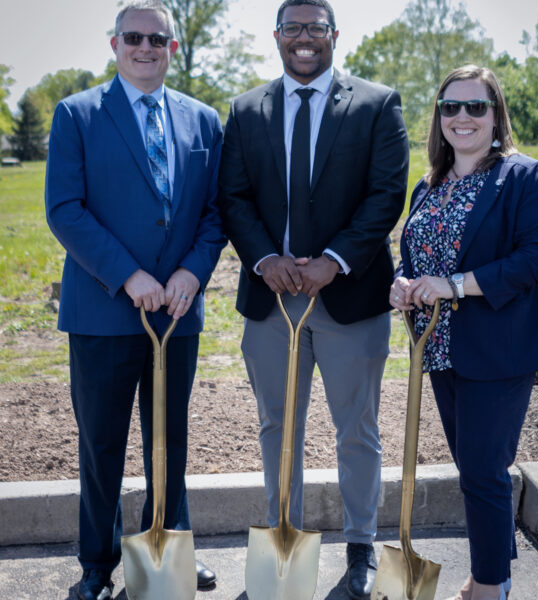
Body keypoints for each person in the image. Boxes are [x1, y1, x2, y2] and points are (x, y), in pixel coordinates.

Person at [218, 1, 409, 598]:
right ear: (277, 36)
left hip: (350, 297)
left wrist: (335, 261)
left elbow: (386, 194)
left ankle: (361, 548)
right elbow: (234, 197)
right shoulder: (247, 109)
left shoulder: (377, 104)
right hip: (272, 302)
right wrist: (264, 259)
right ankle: (285, 546)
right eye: (293, 28)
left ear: (334, 36)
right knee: (278, 429)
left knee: (358, 430)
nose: (305, 40)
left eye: (316, 28)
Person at [45, 2, 226, 598]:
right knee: (101, 444)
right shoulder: (78, 114)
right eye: (133, 37)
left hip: (176, 310)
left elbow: (214, 212)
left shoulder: (203, 121)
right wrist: (128, 276)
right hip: (102, 311)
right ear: (114, 43)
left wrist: (192, 274)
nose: (145, 46)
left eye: (158, 38)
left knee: (169, 439)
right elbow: (64, 210)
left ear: (173, 47)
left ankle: (171, 548)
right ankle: (96, 566)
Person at [390, 65, 538, 600]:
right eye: (450, 107)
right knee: (475, 469)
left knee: (483, 472)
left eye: (475, 107)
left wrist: (454, 285)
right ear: (438, 118)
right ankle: (494, 570)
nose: (462, 117)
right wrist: (403, 284)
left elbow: (537, 259)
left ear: (496, 115)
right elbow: (414, 258)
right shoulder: (429, 184)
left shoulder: (525, 176)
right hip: (439, 349)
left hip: (500, 349)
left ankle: (490, 584)